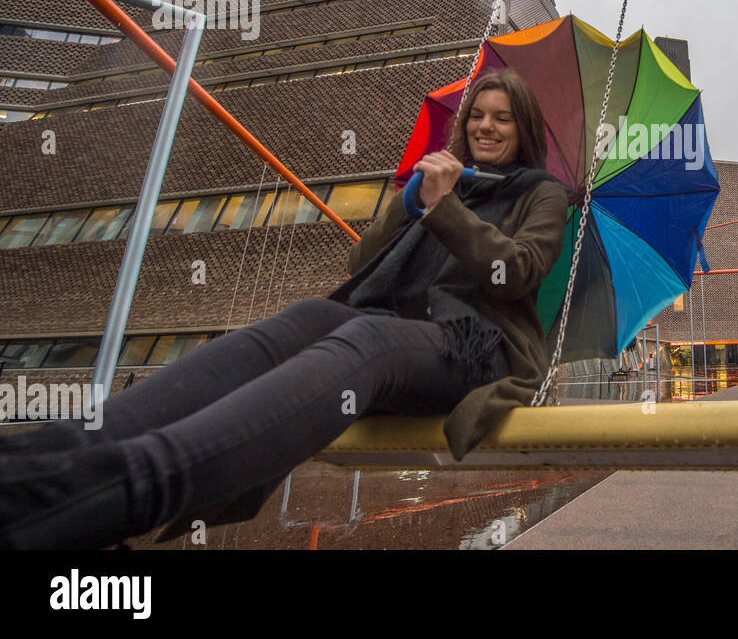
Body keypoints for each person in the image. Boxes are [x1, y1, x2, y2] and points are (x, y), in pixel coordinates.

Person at [0, 68, 569, 549]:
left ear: (522, 129)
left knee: (366, 340)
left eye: (502, 118)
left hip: (475, 347)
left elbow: (514, 272)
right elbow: (361, 262)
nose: (485, 127)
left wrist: (447, 208)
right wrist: (412, 202)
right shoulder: (441, 178)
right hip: (399, 326)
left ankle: (115, 493)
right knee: (307, 318)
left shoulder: (537, 192)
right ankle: (47, 460)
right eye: (478, 116)